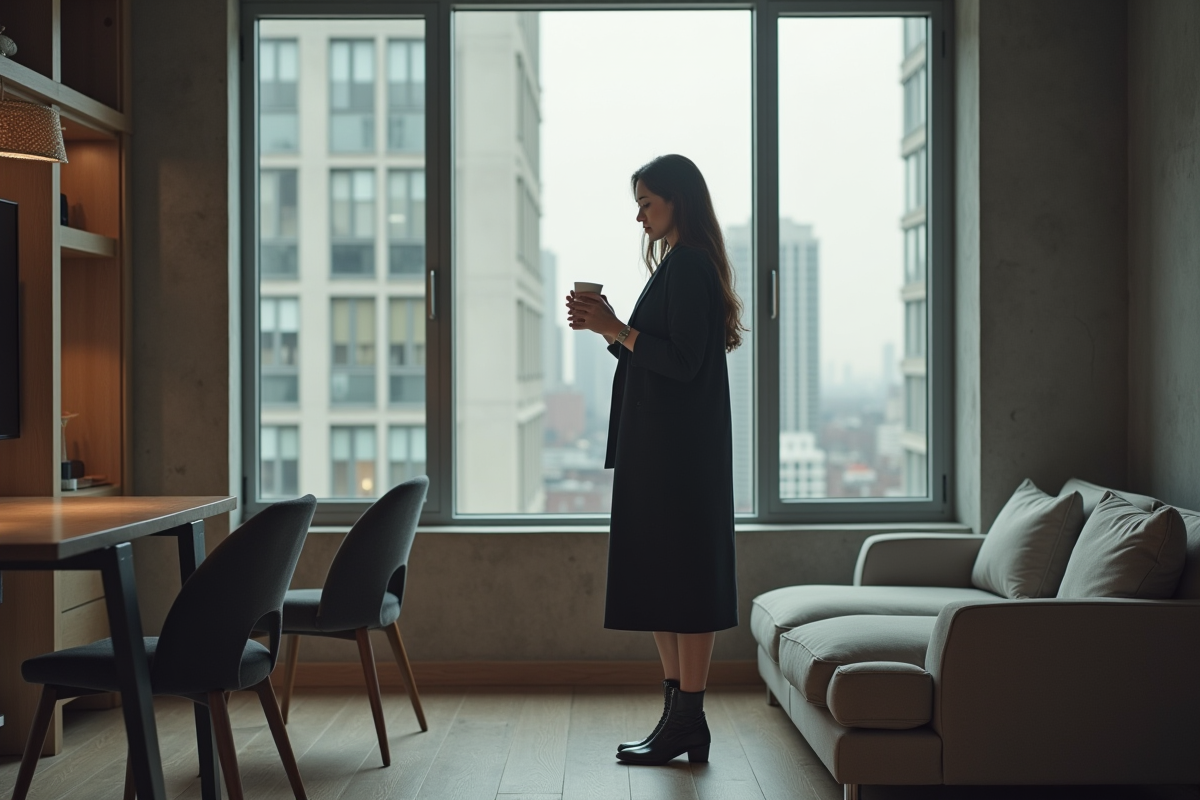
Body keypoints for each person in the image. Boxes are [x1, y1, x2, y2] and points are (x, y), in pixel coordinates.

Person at [566, 153, 745, 766]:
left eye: (647, 202)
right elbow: (658, 356)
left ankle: (687, 719)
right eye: (638, 204)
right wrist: (608, 328)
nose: (639, 214)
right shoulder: (678, 265)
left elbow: (685, 362)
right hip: (663, 452)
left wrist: (616, 327)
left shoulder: (690, 266)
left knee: (686, 587)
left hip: (679, 459)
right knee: (664, 585)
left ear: (679, 201)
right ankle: (677, 719)